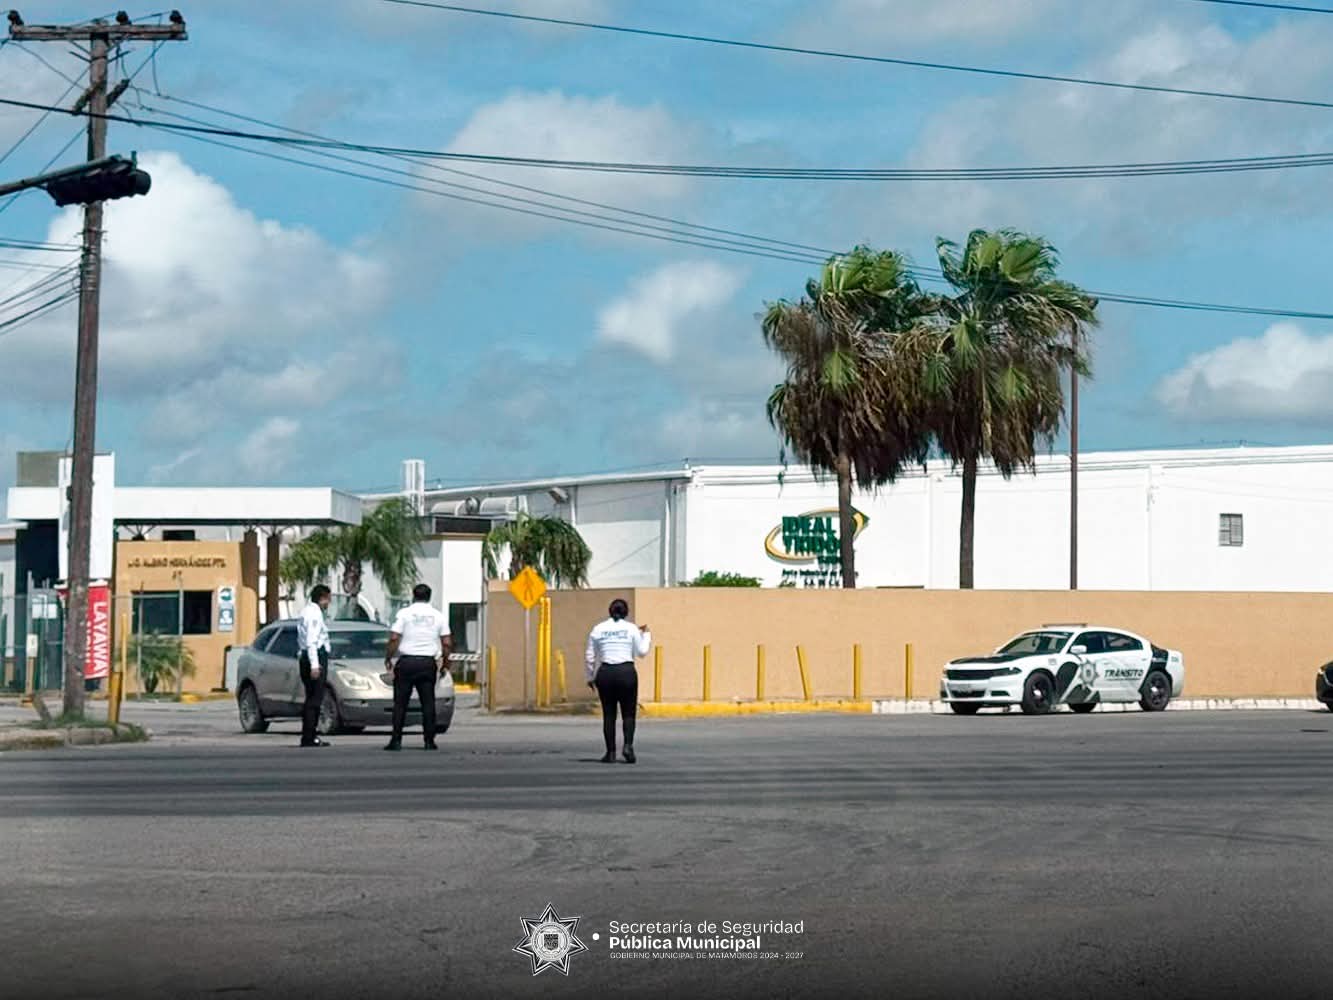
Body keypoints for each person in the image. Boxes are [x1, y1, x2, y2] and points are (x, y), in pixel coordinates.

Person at [383, 583, 452, 751]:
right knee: (428, 702)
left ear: (413, 595)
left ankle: (396, 740)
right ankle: (429, 741)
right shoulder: (438, 616)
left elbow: (394, 637)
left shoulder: (404, 614)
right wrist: (445, 663)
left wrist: (389, 657)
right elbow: (447, 642)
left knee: (400, 703)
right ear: (429, 597)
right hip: (427, 663)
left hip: (407, 662)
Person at [585, 599, 652, 763]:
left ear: (610, 611)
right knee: (628, 713)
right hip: (626, 672)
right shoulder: (631, 628)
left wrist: (590, 677)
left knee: (609, 715)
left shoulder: (598, 629)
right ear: (626, 612)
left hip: (606, 673)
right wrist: (647, 635)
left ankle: (610, 752)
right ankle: (628, 746)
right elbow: (642, 652)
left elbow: (590, 656)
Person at [296, 584, 333, 748]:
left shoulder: (305, 611)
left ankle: (309, 734)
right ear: (322, 598)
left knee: (311, 698)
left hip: (307, 656)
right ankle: (309, 736)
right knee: (315, 700)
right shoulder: (314, 614)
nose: (328, 603)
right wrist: (315, 665)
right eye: (328, 600)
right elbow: (311, 641)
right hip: (314, 656)